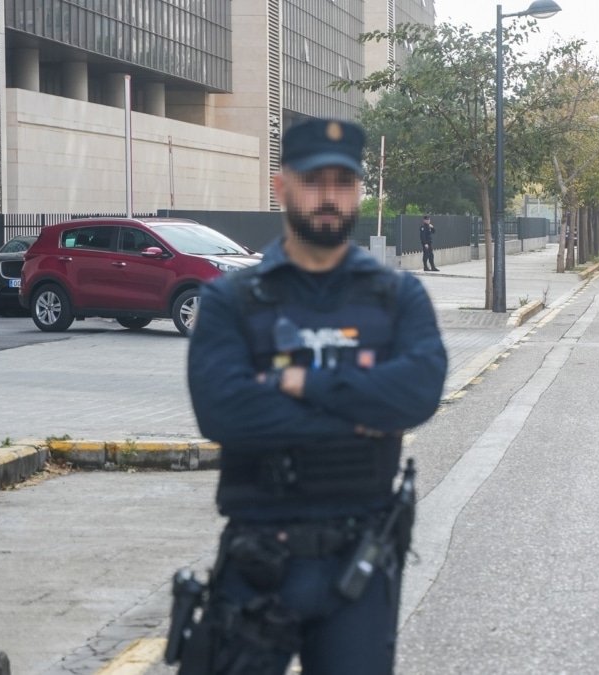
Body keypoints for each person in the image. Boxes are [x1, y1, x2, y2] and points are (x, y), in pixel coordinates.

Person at [180, 118, 447, 674]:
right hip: (259, 561)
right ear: (282, 187)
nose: (329, 197)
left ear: (358, 192)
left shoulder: (398, 296)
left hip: (360, 567)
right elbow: (221, 411)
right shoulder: (232, 300)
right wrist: (364, 412)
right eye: (313, 181)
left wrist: (301, 384)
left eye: (343, 183)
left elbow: (418, 394)